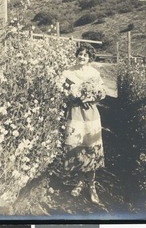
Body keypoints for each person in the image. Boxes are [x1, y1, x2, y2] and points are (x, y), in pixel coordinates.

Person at [62, 43, 106, 204]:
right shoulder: (68, 72)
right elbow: (63, 91)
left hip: (90, 113)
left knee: (91, 146)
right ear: (77, 55)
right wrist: (72, 95)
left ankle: (92, 185)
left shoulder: (94, 73)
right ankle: (79, 182)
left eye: (85, 55)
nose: (82, 57)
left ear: (90, 58)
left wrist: (90, 97)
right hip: (75, 112)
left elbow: (102, 92)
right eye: (80, 54)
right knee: (76, 145)